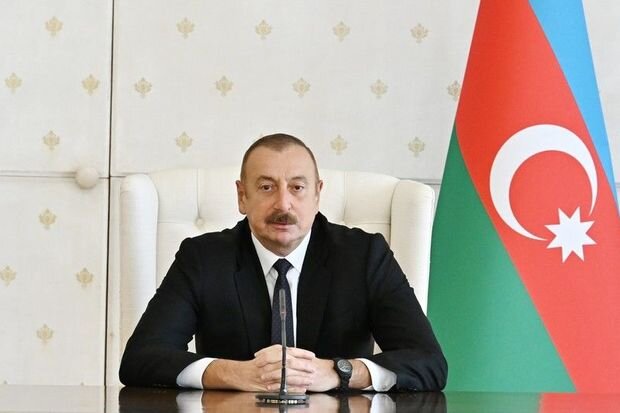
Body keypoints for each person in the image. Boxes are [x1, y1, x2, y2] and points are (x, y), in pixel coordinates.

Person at [119, 133, 447, 392]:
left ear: (317, 194)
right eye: (266, 187)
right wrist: (234, 373)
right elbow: (141, 359)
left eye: (297, 188)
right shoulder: (203, 258)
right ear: (242, 196)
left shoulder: (364, 256)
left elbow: (428, 362)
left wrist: (339, 372)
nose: (283, 204)